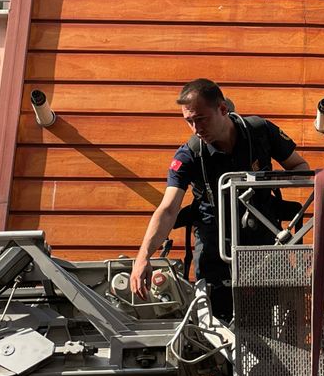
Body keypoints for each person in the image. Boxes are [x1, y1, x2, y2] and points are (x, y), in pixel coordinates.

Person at [129, 78, 310, 321]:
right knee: (216, 327)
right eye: (189, 121)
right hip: (215, 254)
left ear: (223, 109)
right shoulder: (189, 155)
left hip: (266, 246)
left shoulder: (260, 131)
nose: (196, 128)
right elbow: (168, 209)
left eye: (201, 119)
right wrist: (143, 257)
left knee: (271, 324)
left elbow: (299, 166)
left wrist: (267, 181)